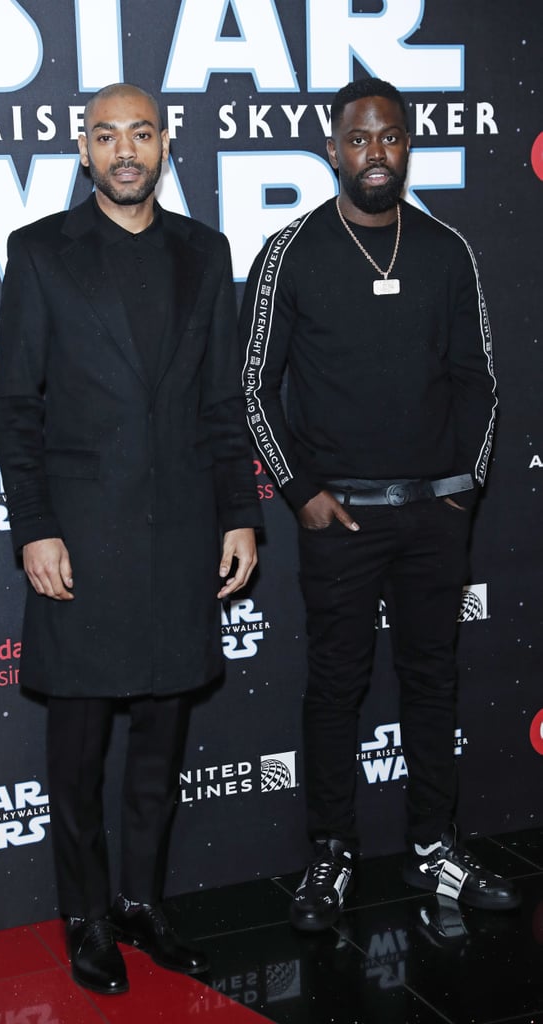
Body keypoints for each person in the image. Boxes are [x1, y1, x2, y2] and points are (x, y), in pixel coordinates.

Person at [0, 82, 260, 993]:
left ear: (165, 141)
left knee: (159, 747)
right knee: (77, 757)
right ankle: (87, 917)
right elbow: (14, 407)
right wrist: (35, 528)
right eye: (106, 135)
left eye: (139, 133)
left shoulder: (204, 251)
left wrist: (240, 512)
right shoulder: (39, 255)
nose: (124, 150)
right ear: (82, 148)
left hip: (181, 541)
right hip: (80, 546)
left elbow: (224, 402)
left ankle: (143, 905)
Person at [239, 77, 519, 932]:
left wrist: (461, 490)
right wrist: (299, 494)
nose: (373, 155)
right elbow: (253, 388)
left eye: (388, 139)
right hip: (341, 522)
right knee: (336, 689)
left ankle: (435, 847)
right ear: (332, 149)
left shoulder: (444, 250)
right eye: (357, 140)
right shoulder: (289, 252)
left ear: (408, 145)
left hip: (433, 518)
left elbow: (480, 384)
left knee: (432, 683)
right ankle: (329, 856)